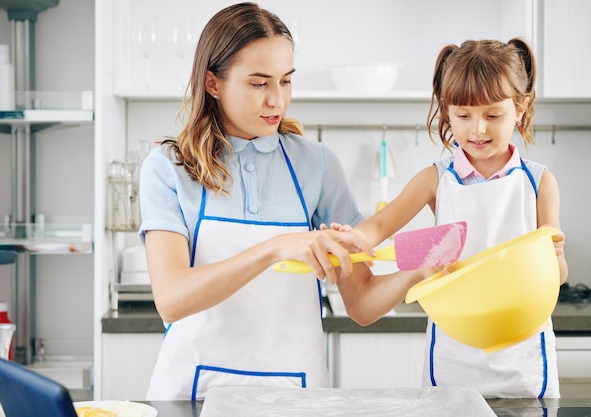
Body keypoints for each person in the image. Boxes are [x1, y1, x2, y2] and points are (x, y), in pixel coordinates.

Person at [138, 2, 425, 400]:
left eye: (286, 81)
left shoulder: (317, 165)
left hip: (296, 396)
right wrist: (274, 248)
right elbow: (171, 299)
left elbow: (360, 303)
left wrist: (420, 273)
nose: (277, 100)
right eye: (259, 84)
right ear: (213, 83)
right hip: (193, 395)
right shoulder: (169, 168)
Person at [332, 38, 568, 398]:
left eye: (493, 115)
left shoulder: (539, 182)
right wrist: (348, 239)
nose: (478, 129)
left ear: (520, 109)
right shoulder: (436, 179)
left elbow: (558, 276)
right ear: (446, 112)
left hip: (525, 365)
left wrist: (555, 259)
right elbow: (378, 228)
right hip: (454, 362)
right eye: (463, 115)